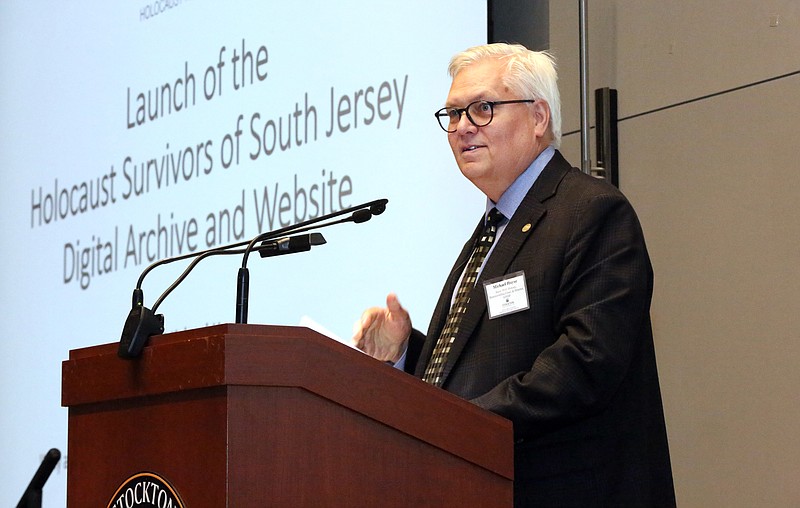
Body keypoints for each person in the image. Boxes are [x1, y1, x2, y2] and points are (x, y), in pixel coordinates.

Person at [352, 43, 676, 507]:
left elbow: (585, 364)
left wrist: (456, 423)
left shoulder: (590, 212)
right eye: (452, 114)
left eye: (481, 108)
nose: (462, 127)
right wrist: (407, 353)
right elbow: (488, 361)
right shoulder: (489, 233)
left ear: (539, 117)